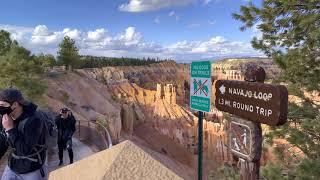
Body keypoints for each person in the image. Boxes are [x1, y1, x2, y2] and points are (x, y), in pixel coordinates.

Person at [0, 88, 47, 180]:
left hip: (32, 168)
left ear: (15, 104)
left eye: (2, 105)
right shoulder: (6, 117)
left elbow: (25, 150)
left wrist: (10, 128)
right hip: (13, 165)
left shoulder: (34, 120)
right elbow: (3, 140)